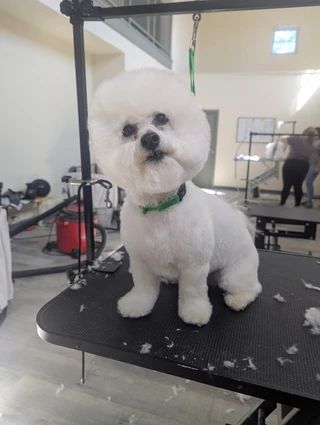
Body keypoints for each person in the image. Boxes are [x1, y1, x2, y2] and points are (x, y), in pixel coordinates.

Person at [280, 127, 318, 207]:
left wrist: (286, 143)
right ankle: (297, 205)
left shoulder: (297, 138)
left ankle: (282, 203)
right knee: (298, 186)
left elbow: (283, 138)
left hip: (291, 163)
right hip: (303, 165)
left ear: (304, 132)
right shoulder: (313, 144)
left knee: (287, 185)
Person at [304, 127, 320, 208]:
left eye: (315, 132)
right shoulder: (314, 142)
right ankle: (309, 200)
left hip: (315, 165)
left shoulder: (319, 142)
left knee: (308, 182)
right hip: (311, 164)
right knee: (308, 182)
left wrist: (318, 167)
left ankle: (310, 201)